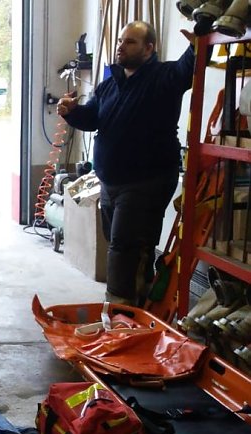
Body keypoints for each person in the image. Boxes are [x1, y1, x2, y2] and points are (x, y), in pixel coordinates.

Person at [58, 21, 194, 306]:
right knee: (126, 245)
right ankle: (140, 300)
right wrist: (71, 112)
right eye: (120, 41)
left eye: (130, 42)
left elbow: (187, 70)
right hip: (111, 182)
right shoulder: (110, 84)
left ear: (149, 48)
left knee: (124, 246)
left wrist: (197, 46)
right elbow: (93, 118)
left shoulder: (164, 76)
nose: (121, 46)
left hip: (146, 181)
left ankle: (119, 312)